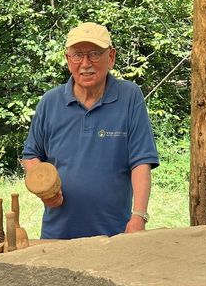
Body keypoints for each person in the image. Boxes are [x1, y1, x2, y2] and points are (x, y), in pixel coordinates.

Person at [21, 22, 159, 239]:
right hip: (58, 234)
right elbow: (31, 156)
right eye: (77, 55)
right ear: (68, 60)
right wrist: (45, 189)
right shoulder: (50, 102)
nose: (85, 63)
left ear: (111, 57)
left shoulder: (130, 97)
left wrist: (139, 216)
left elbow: (141, 161)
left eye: (95, 54)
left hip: (116, 234)